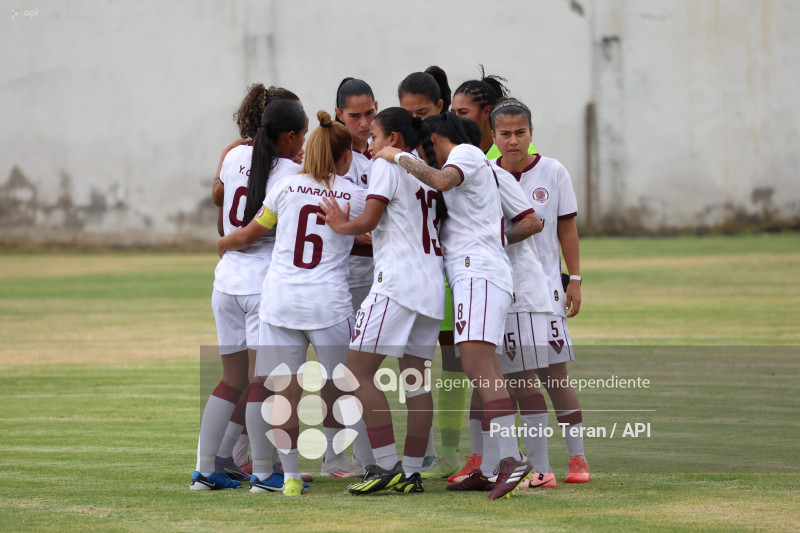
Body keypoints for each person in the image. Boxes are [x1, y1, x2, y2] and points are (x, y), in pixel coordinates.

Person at [373, 111, 541, 500]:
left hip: (478, 275)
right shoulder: (476, 167)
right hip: (475, 274)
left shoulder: (464, 152)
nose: (429, 150)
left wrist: (394, 155)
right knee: (488, 368)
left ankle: (512, 460)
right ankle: (492, 465)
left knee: (476, 365)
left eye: (430, 143)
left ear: (438, 136)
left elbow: (440, 179)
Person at [217, 110, 366, 496]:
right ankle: (372, 465)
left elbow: (252, 231)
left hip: (281, 299)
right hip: (328, 304)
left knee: (284, 390)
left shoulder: (285, 189)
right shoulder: (353, 194)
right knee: (351, 385)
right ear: (346, 157)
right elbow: (380, 232)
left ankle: (289, 476)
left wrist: (224, 243)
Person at [317, 107, 444, 495]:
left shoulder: (387, 165)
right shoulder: (424, 171)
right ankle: (410, 473)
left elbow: (369, 219)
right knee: (416, 382)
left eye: (373, 136)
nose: (368, 144)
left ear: (393, 140)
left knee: (355, 372)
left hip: (397, 284)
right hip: (431, 286)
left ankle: (385, 466)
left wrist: (342, 225)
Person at [191, 92, 306, 491]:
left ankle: (204, 470)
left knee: (229, 381)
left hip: (225, 283)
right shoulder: (291, 174)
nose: (304, 144)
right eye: (302, 136)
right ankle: (263, 473)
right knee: (262, 383)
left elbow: (221, 199)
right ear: (289, 136)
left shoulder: (233, 157)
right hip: (263, 286)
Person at [491, 98, 590, 484]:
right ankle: (537, 467)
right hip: (502, 292)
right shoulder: (486, 174)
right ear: (494, 136)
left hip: (545, 291)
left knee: (555, 377)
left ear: (531, 133)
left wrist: (575, 280)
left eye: (520, 133)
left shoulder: (552, 171)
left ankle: (578, 458)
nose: (513, 141)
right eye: (505, 134)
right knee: (517, 380)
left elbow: (567, 228)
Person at [397, 67, 465, 478]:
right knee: (414, 363)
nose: (415, 120)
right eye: (407, 112)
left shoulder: (452, 151)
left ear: (440, 107)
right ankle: (424, 451)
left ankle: (453, 451)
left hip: (452, 268)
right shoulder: (398, 148)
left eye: (421, 112)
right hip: (418, 271)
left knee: (456, 363)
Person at [450, 66, 537, 159]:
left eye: (463, 112)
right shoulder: (454, 150)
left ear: (486, 112)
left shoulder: (519, 150)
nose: (455, 118)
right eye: (453, 112)